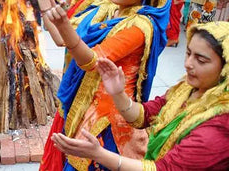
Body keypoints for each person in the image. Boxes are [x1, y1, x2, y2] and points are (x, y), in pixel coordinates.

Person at [35, 0, 171, 170]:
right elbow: (62, 37)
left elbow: (90, 61)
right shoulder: (107, 7)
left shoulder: (140, 26)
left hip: (109, 120)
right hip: (82, 101)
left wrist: (63, 23)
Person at [51, 21, 229, 170]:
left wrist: (99, 154)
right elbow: (145, 116)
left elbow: (164, 169)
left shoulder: (219, 126)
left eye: (201, 60)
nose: (188, 64)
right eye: (188, 53)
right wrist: (117, 93)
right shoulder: (187, 89)